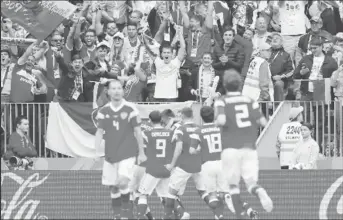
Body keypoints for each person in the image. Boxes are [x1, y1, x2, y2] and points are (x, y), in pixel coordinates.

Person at [214, 69, 273, 219]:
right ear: (240, 84)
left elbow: (221, 120)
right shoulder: (250, 101)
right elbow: (263, 122)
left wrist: (217, 123)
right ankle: (259, 191)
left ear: (225, 85)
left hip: (230, 147)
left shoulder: (222, 101)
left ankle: (240, 216)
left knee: (233, 185)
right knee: (251, 183)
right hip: (249, 147)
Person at [189, 106, 258, 220]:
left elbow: (191, 151)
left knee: (213, 197)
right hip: (222, 163)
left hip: (207, 165)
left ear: (201, 117)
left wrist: (201, 149)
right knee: (226, 194)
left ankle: (221, 214)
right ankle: (247, 210)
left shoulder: (198, 131)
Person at [94, 79, 147, 219]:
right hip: (110, 155)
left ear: (123, 91)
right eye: (114, 88)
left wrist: (141, 152)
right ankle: (118, 216)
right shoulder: (103, 111)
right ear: (109, 91)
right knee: (113, 187)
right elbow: (99, 132)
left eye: (119, 88)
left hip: (128, 153)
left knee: (122, 181)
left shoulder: (131, 109)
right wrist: (95, 150)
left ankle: (127, 214)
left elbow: (137, 131)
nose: (117, 91)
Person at [164, 107, 207, 219]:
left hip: (182, 166)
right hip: (198, 165)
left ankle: (175, 215)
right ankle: (182, 214)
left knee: (169, 193)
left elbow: (177, 147)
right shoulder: (200, 128)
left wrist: (171, 164)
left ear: (182, 116)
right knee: (203, 192)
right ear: (192, 115)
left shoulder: (180, 128)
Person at [136, 110, 175, 220]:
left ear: (150, 120)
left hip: (153, 169)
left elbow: (141, 149)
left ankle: (139, 217)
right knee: (165, 196)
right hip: (167, 170)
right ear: (161, 119)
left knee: (142, 195)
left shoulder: (147, 134)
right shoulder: (170, 133)